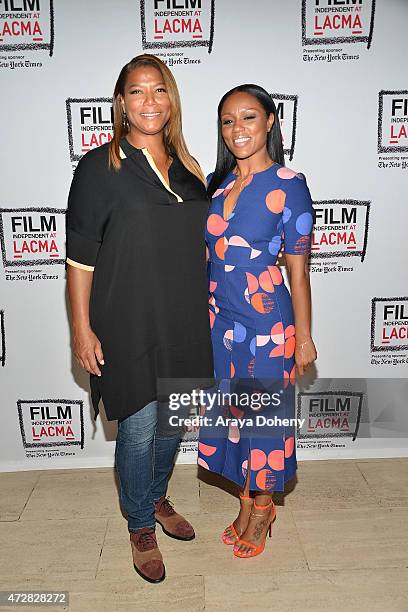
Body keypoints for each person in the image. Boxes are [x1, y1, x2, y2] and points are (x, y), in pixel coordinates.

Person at [66, 54, 213, 583]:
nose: (149, 101)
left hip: (185, 320)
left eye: (159, 90)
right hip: (126, 318)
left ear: (170, 99)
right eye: (137, 91)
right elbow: (79, 257)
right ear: (122, 103)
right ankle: (138, 524)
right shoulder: (99, 166)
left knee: (173, 425)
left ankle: (155, 498)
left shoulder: (189, 167)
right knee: (140, 426)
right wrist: (81, 329)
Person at [198, 84, 317, 558]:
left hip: (268, 326)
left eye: (248, 117)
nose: (237, 129)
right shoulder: (218, 184)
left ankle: (263, 507)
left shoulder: (289, 183)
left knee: (264, 419)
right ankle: (247, 496)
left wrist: (303, 336)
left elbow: (299, 268)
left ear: (270, 120)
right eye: (228, 121)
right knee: (233, 414)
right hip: (220, 323)